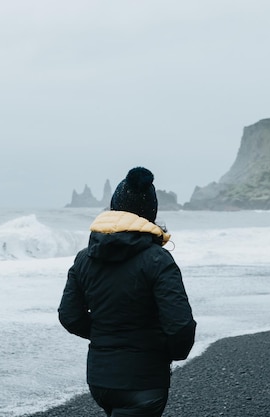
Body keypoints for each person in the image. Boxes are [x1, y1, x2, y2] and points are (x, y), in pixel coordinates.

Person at [58, 166, 196, 417]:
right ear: (150, 213)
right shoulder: (158, 260)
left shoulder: (84, 258)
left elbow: (69, 316)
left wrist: (104, 336)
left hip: (100, 382)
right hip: (144, 382)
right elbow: (181, 326)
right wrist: (169, 352)